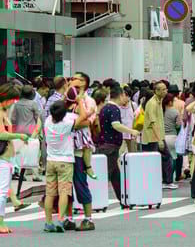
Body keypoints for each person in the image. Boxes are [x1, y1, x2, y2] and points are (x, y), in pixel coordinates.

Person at [42, 98, 92, 233]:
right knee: (64, 192)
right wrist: (80, 101)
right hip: (65, 161)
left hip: (51, 161)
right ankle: (60, 219)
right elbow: (83, 117)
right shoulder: (67, 124)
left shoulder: (47, 122)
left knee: (50, 193)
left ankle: (48, 222)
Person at [0, 83, 33, 234]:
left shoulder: (4, 111)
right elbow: (1, 135)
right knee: (2, 191)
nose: (14, 102)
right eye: (12, 99)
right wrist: (18, 135)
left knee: (4, 188)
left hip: (6, 155)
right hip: (2, 156)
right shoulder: (0, 112)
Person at [97, 84, 134, 206]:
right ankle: (96, 200)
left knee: (114, 174)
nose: (126, 99)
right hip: (110, 146)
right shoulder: (114, 109)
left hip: (106, 145)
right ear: (121, 95)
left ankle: (123, 199)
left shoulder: (105, 108)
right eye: (125, 95)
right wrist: (131, 131)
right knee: (106, 174)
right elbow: (116, 124)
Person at [141, 80, 175, 189]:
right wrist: (159, 139)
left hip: (158, 136)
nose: (166, 91)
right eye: (164, 89)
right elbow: (153, 123)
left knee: (165, 158)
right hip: (152, 138)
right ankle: (165, 181)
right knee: (161, 159)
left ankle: (166, 181)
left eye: (166, 88)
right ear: (157, 91)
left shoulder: (159, 101)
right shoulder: (153, 103)